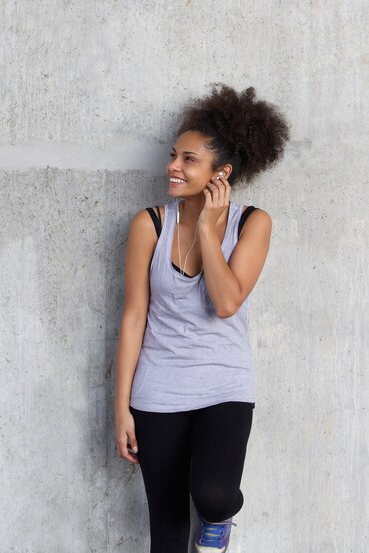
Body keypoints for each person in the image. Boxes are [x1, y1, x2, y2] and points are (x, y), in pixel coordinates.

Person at [113, 84, 290, 553]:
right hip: (158, 387)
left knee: (213, 495)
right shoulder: (148, 225)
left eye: (189, 159)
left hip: (223, 383)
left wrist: (210, 231)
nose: (173, 166)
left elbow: (226, 302)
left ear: (221, 173)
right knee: (167, 532)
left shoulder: (253, 223)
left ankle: (219, 524)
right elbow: (134, 317)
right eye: (174, 155)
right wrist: (121, 408)